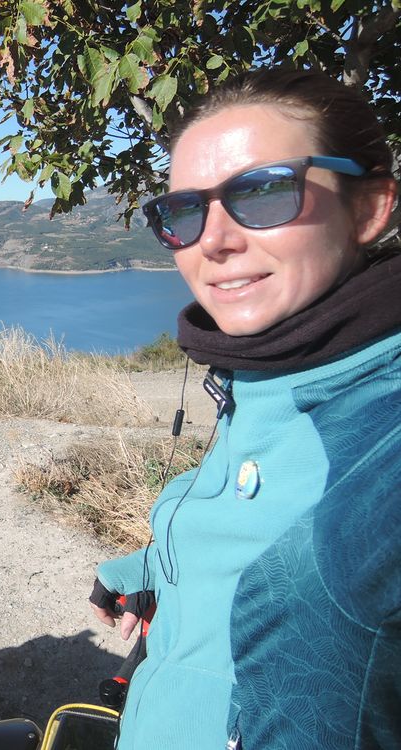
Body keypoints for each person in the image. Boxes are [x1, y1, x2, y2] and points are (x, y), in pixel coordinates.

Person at [89, 68, 399, 749]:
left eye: (264, 192)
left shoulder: (381, 436)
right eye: (183, 212)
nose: (214, 240)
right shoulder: (271, 374)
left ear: (372, 207)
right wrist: (150, 568)